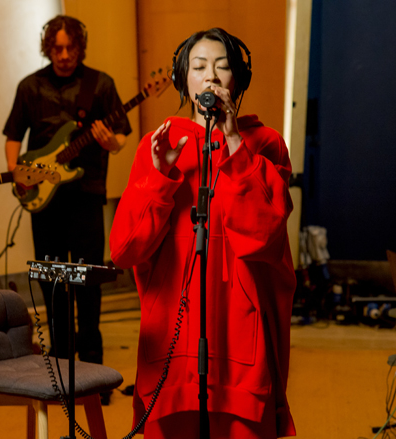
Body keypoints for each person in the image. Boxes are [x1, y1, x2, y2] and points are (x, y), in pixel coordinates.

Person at [109, 28, 296, 438]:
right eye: (198, 67)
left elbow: (265, 234)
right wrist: (159, 177)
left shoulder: (265, 145)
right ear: (183, 79)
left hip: (241, 347)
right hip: (171, 348)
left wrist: (234, 143)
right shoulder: (157, 145)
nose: (210, 76)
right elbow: (125, 250)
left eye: (222, 66)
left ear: (238, 80)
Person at [3, 15, 132, 382]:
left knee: (88, 279)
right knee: (52, 280)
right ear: (49, 49)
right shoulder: (30, 86)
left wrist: (110, 142)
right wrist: (16, 172)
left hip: (86, 192)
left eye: (70, 48)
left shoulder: (100, 84)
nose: (63, 56)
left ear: (80, 48)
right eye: (57, 49)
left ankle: (92, 367)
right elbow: (13, 136)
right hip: (44, 200)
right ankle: (60, 366)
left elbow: (121, 135)